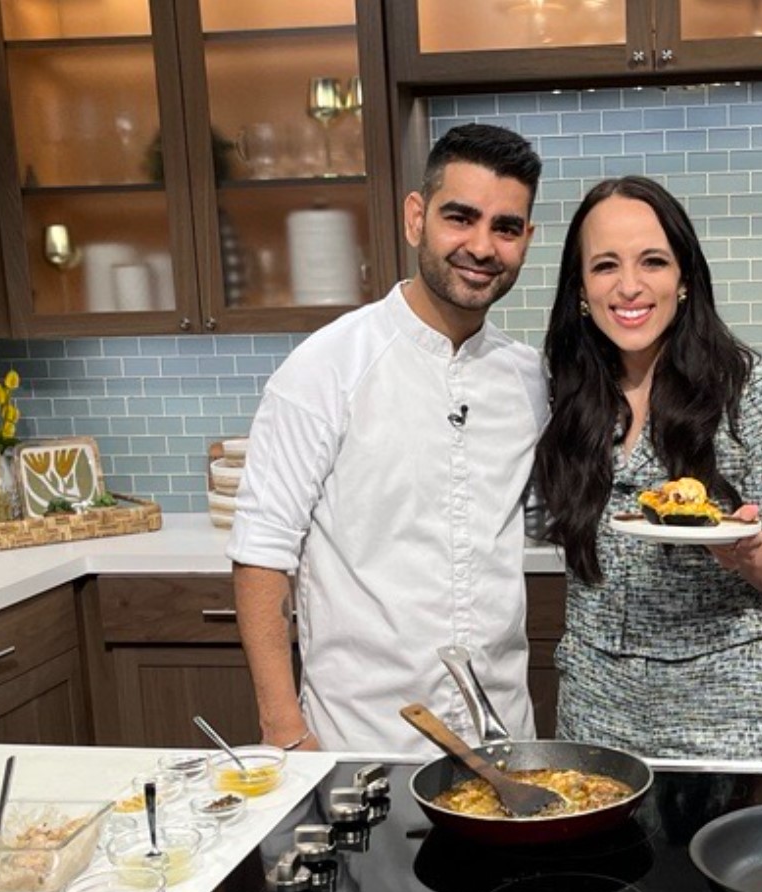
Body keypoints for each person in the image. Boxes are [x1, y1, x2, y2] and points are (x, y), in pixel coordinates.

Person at [228, 124, 546, 754]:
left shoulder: (531, 381)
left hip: (506, 738)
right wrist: (284, 731)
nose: (482, 246)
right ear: (416, 218)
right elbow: (262, 553)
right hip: (364, 739)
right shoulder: (326, 368)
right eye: (461, 217)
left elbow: (548, 516)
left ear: (526, 241)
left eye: (506, 228)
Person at [531, 176, 762, 760]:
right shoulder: (564, 393)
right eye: (606, 265)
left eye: (653, 262)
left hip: (723, 706)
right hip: (594, 703)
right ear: (580, 287)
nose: (630, 286)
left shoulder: (752, 390)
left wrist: (746, 551)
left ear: (684, 278)